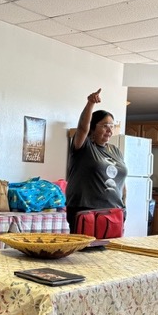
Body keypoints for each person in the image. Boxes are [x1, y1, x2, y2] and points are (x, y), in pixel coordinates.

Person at [65, 89, 127, 233]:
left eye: (111, 126)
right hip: (86, 211)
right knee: (85, 248)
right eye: (105, 126)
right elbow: (82, 128)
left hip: (114, 212)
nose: (109, 130)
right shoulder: (83, 147)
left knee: (111, 248)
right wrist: (90, 104)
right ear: (92, 128)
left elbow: (122, 182)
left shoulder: (115, 150)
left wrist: (124, 206)